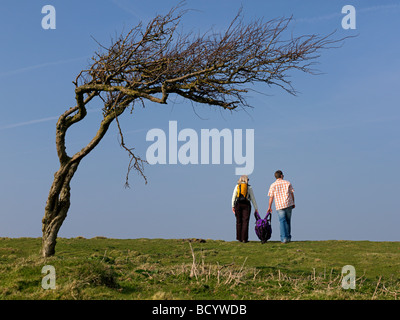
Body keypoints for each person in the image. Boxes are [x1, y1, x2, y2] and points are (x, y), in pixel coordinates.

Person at [267, 170, 295, 244]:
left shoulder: (273, 185)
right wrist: (293, 202)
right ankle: (288, 237)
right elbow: (292, 193)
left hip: (279, 205)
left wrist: (269, 207)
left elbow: (271, 197)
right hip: (288, 204)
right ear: (281, 175)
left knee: (282, 221)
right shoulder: (288, 183)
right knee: (288, 221)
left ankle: (283, 238)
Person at [231, 175, 259, 243]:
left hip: (238, 204)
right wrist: (256, 208)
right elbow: (252, 198)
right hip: (246, 204)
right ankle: (244, 239)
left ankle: (239, 238)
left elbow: (233, 196)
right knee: (245, 222)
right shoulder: (249, 187)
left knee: (238, 221)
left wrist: (233, 206)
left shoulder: (237, 186)